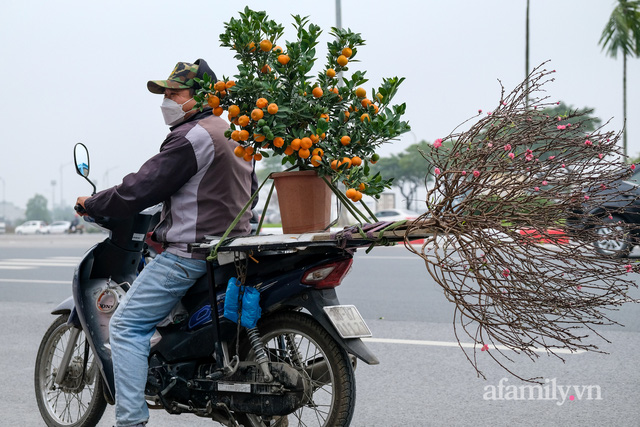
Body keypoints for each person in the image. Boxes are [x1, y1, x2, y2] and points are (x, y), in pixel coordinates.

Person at [75, 59, 256, 427]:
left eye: (175, 93)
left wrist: (92, 203)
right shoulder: (235, 132)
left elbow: (141, 187)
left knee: (125, 326)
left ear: (201, 97)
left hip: (190, 253)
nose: (168, 100)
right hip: (232, 247)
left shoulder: (191, 137)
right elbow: (245, 193)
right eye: (167, 94)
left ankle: (130, 421)